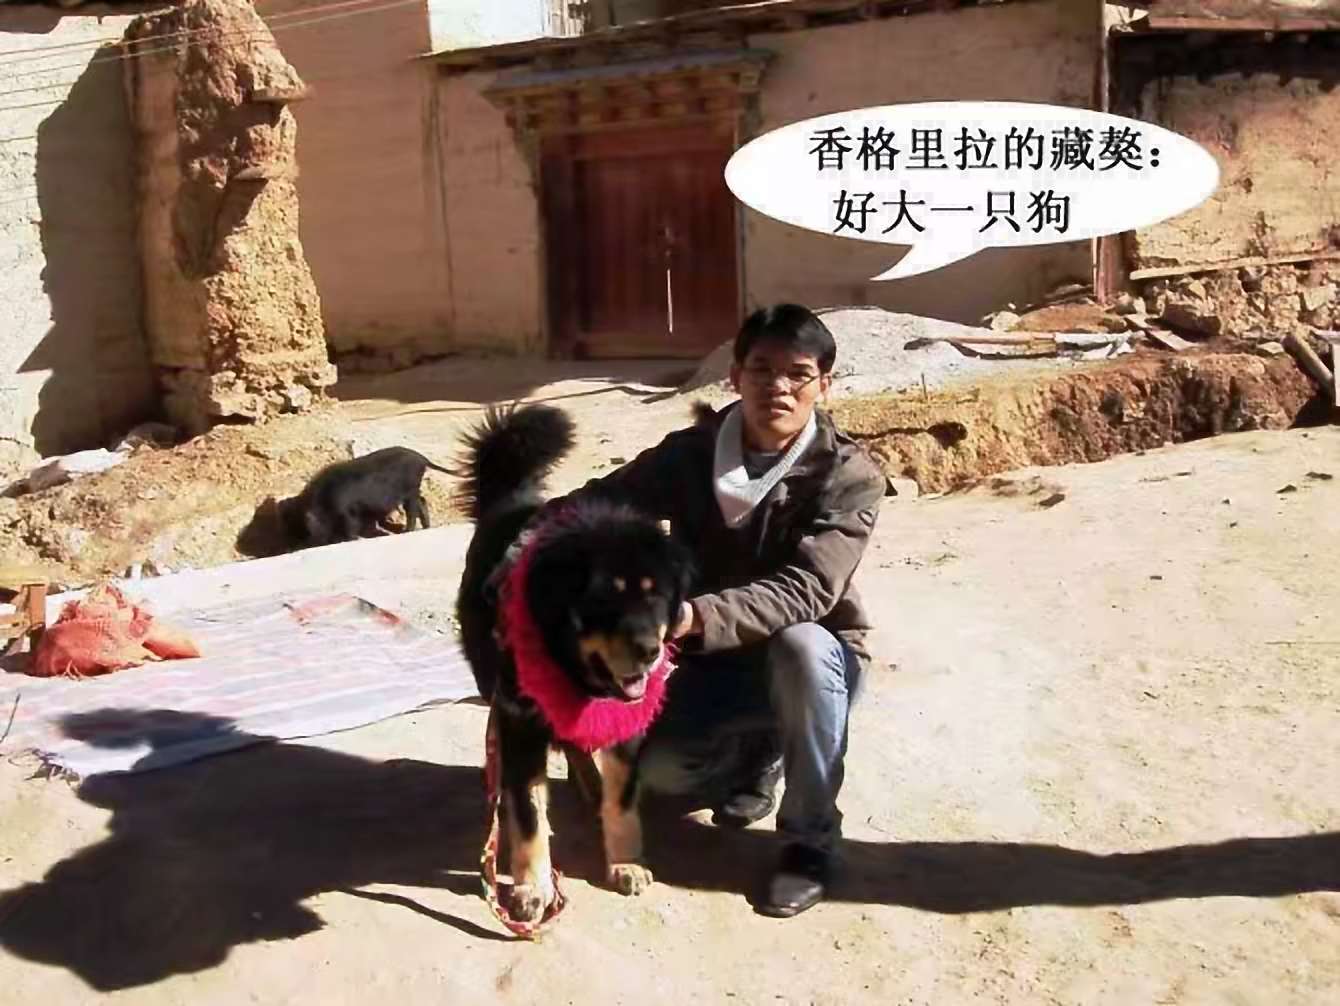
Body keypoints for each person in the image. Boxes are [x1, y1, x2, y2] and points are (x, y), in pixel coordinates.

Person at [553, 303, 884, 917]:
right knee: (661, 778)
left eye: (798, 374)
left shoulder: (847, 475)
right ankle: (756, 759)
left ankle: (809, 845)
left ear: (824, 384)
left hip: (818, 665)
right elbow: (602, 503)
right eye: (762, 370)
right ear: (735, 376)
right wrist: (525, 541)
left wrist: (690, 617)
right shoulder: (692, 455)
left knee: (803, 646)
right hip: (716, 664)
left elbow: (808, 589)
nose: (778, 387)